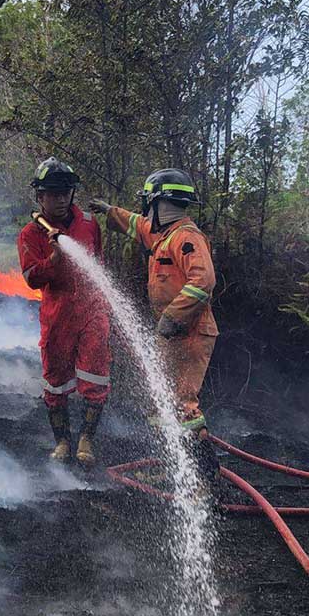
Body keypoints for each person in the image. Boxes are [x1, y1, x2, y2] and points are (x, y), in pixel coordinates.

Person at [88, 168, 219, 478]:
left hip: (188, 333)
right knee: (162, 402)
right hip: (172, 333)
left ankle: (203, 477)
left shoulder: (186, 238)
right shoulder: (164, 234)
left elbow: (204, 280)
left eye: (149, 203)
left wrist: (173, 317)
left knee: (182, 406)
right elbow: (138, 224)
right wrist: (110, 211)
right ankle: (176, 469)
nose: (147, 210)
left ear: (160, 202)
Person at [17, 158, 111, 465]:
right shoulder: (31, 234)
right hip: (58, 314)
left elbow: (98, 264)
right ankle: (62, 443)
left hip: (92, 310)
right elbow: (31, 278)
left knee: (94, 377)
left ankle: (86, 441)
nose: (60, 199)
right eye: (52, 194)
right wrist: (53, 261)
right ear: (40, 197)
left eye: (65, 192)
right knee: (55, 380)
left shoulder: (88, 224)